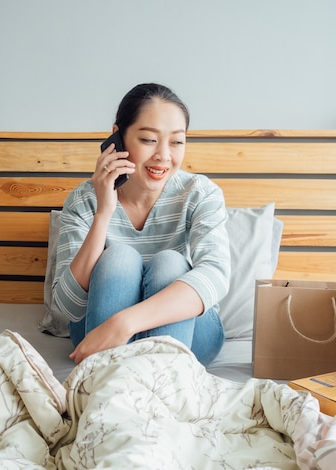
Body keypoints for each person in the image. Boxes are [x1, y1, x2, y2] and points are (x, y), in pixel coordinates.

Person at [51, 83, 231, 365]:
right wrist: (103, 213)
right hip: (100, 335)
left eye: (177, 141)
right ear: (117, 136)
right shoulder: (84, 200)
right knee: (119, 257)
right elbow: (66, 307)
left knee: (170, 263)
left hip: (190, 335)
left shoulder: (200, 193)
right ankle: (124, 380)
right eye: (149, 139)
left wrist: (125, 323)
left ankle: (161, 377)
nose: (163, 156)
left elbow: (216, 275)